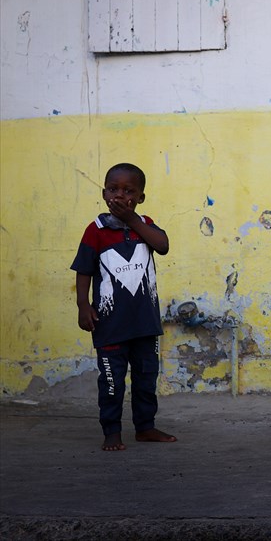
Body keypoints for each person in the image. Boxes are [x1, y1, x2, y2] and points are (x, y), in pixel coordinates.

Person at [71, 163, 177, 451]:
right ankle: (112, 432)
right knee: (111, 381)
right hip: (110, 324)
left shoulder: (145, 225)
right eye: (113, 189)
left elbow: (163, 245)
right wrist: (83, 305)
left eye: (129, 191)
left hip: (144, 324)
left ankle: (145, 427)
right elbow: (83, 270)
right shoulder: (96, 230)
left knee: (146, 378)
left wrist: (133, 220)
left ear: (141, 197)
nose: (120, 195)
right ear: (104, 193)